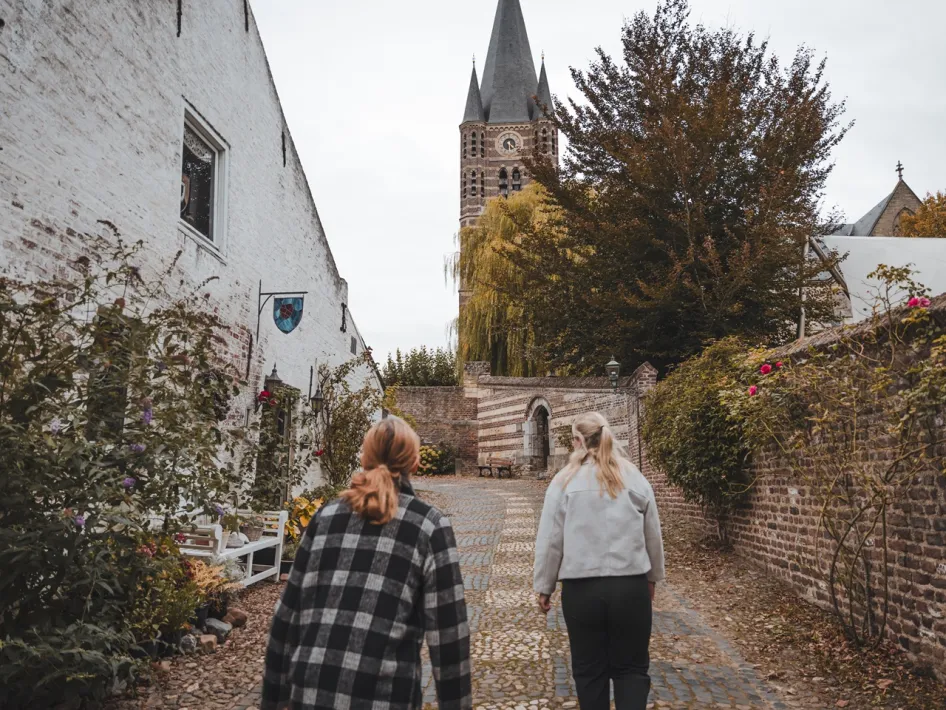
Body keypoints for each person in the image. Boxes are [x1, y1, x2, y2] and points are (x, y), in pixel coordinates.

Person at [262, 416, 472, 710]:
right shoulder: (429, 526)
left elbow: (287, 616)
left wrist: (272, 701)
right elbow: (450, 638)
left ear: (365, 458)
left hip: (309, 690)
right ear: (414, 463)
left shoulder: (325, 516)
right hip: (382, 696)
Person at [533, 411, 665, 710]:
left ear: (578, 441)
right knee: (631, 669)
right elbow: (652, 534)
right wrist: (653, 577)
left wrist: (544, 586)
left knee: (589, 671)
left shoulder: (563, 481)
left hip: (582, 592)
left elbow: (551, 539)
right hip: (630, 588)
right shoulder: (634, 476)